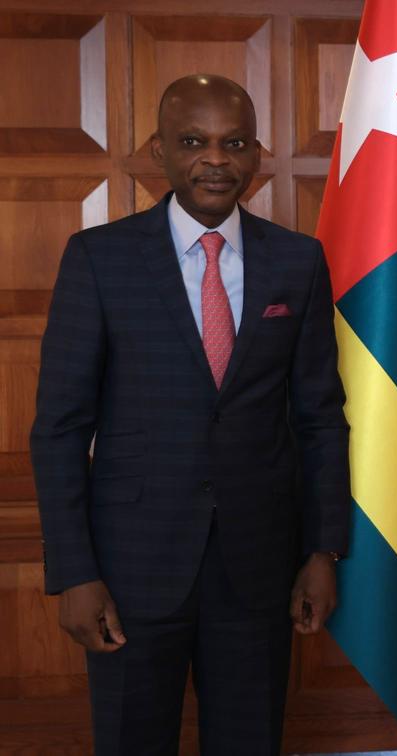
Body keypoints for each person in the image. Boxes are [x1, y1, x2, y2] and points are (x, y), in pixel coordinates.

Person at [30, 74, 350, 755]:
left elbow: (320, 417)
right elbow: (60, 429)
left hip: (259, 568)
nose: (215, 160)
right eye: (193, 141)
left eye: (233, 143)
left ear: (256, 153)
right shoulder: (100, 259)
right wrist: (74, 573)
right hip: (129, 569)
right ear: (160, 151)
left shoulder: (297, 261)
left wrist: (322, 551)